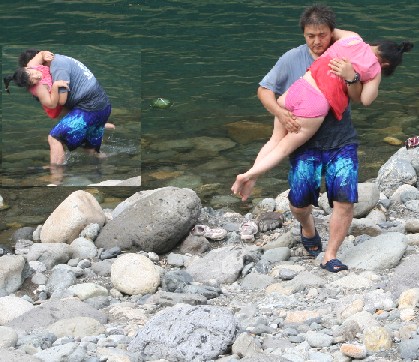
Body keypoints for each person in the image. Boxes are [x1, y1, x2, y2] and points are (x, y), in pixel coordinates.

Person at [232, 3, 411, 272]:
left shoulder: (350, 49)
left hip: (341, 141)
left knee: (344, 199)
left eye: (323, 35)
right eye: (310, 36)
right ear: (304, 34)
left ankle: (330, 254)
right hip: (305, 138)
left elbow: (361, 100)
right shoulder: (292, 58)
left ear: (332, 33)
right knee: (300, 199)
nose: (317, 41)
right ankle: (306, 226)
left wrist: (351, 78)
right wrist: (281, 114)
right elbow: (263, 91)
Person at [232, 29, 412, 190]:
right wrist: (366, 76)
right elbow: (365, 100)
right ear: (385, 64)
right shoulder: (374, 70)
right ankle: (249, 176)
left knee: (274, 139)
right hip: (315, 104)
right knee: (283, 149)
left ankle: (252, 172)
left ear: (376, 44)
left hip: (297, 89)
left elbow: (331, 31)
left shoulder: (352, 38)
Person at [4, 50, 114, 165]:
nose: (37, 77)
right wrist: (44, 54)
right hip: (101, 105)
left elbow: (61, 101)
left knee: (54, 138)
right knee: (91, 151)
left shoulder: (59, 71)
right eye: (33, 81)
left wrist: (54, 87)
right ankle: (109, 168)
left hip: (91, 108)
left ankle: (56, 178)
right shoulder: (55, 61)